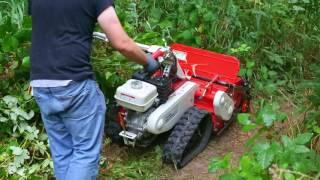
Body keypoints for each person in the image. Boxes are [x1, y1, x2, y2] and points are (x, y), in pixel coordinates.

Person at [28, 0, 159, 179]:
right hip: (74, 84)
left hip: (41, 83)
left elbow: (50, 27)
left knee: (62, 152)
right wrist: (148, 61)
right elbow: (121, 43)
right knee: (84, 152)